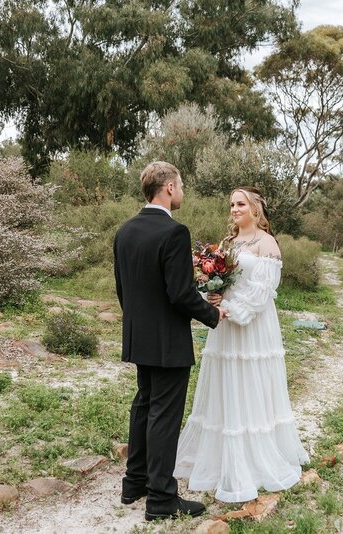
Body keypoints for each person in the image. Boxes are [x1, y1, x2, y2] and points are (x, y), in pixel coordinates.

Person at [174, 186, 310, 503]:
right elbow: (217, 282)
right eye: (232, 204)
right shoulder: (227, 243)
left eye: (240, 204)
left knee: (252, 383)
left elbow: (265, 291)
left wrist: (232, 310)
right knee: (225, 384)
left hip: (254, 325)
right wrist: (213, 297)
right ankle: (221, 457)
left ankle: (255, 457)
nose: (234, 209)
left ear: (255, 209)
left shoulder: (267, 243)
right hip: (224, 324)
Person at [114, 161, 227, 521]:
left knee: (144, 405)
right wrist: (212, 314)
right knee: (163, 415)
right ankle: (162, 498)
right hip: (167, 342)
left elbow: (123, 290)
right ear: (167, 189)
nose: (182, 192)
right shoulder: (174, 232)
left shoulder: (125, 231)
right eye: (180, 186)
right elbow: (179, 293)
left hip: (138, 336)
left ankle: (135, 482)